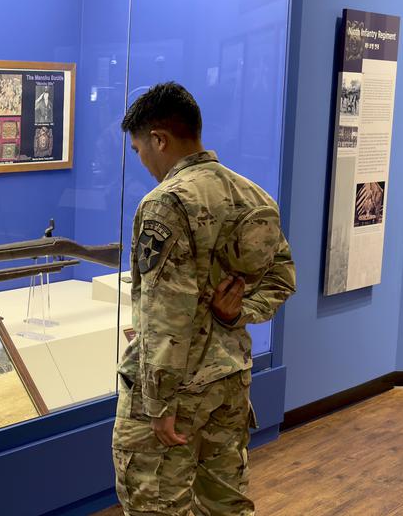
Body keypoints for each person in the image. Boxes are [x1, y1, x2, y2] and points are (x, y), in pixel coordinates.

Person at [112, 82, 296, 515]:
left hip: (177, 390)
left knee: (155, 503)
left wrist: (157, 404)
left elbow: (165, 313)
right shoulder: (252, 195)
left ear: (160, 139)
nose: (143, 162)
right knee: (225, 504)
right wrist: (239, 312)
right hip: (230, 381)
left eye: (140, 150)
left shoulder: (165, 204)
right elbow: (283, 277)